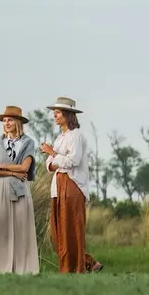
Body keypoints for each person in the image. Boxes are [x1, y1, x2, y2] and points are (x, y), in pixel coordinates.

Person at [40, 96, 104, 274]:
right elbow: (49, 165)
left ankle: (73, 268)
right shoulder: (60, 138)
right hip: (57, 187)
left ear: (67, 114)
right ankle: (88, 263)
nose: (54, 116)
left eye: (57, 113)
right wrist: (57, 158)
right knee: (59, 232)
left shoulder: (76, 136)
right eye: (54, 113)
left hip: (72, 185)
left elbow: (72, 161)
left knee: (72, 229)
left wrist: (53, 153)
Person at [0, 106, 40, 275]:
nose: (7, 123)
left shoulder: (28, 142)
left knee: (22, 228)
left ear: (18, 122)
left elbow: (24, 168)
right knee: (2, 228)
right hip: (1, 187)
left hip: (20, 188)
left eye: (10, 120)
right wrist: (11, 172)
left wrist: (2, 166)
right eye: (4, 120)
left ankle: (25, 268)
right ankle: (3, 269)